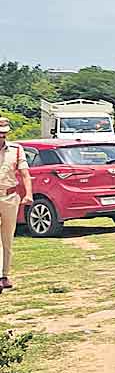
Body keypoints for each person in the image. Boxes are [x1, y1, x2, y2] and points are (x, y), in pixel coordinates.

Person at [0, 118, 33, 291]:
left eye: (4, 132)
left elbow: (25, 174)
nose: (2, 135)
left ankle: (4, 275)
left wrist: (28, 194)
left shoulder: (16, 150)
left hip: (10, 196)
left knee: (7, 238)